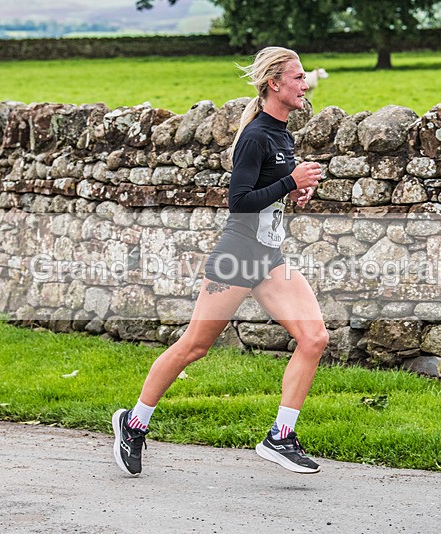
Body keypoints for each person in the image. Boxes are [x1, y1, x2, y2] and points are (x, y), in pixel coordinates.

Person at [112, 46, 328, 476]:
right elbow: (240, 203)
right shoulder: (255, 137)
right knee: (195, 346)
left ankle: (280, 436)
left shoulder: (282, 133)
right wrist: (290, 179)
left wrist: (294, 192)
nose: (306, 85)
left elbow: (268, 196)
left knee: (315, 338)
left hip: (269, 258)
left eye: (305, 78)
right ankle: (133, 423)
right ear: (275, 83)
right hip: (236, 259)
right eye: (299, 77)